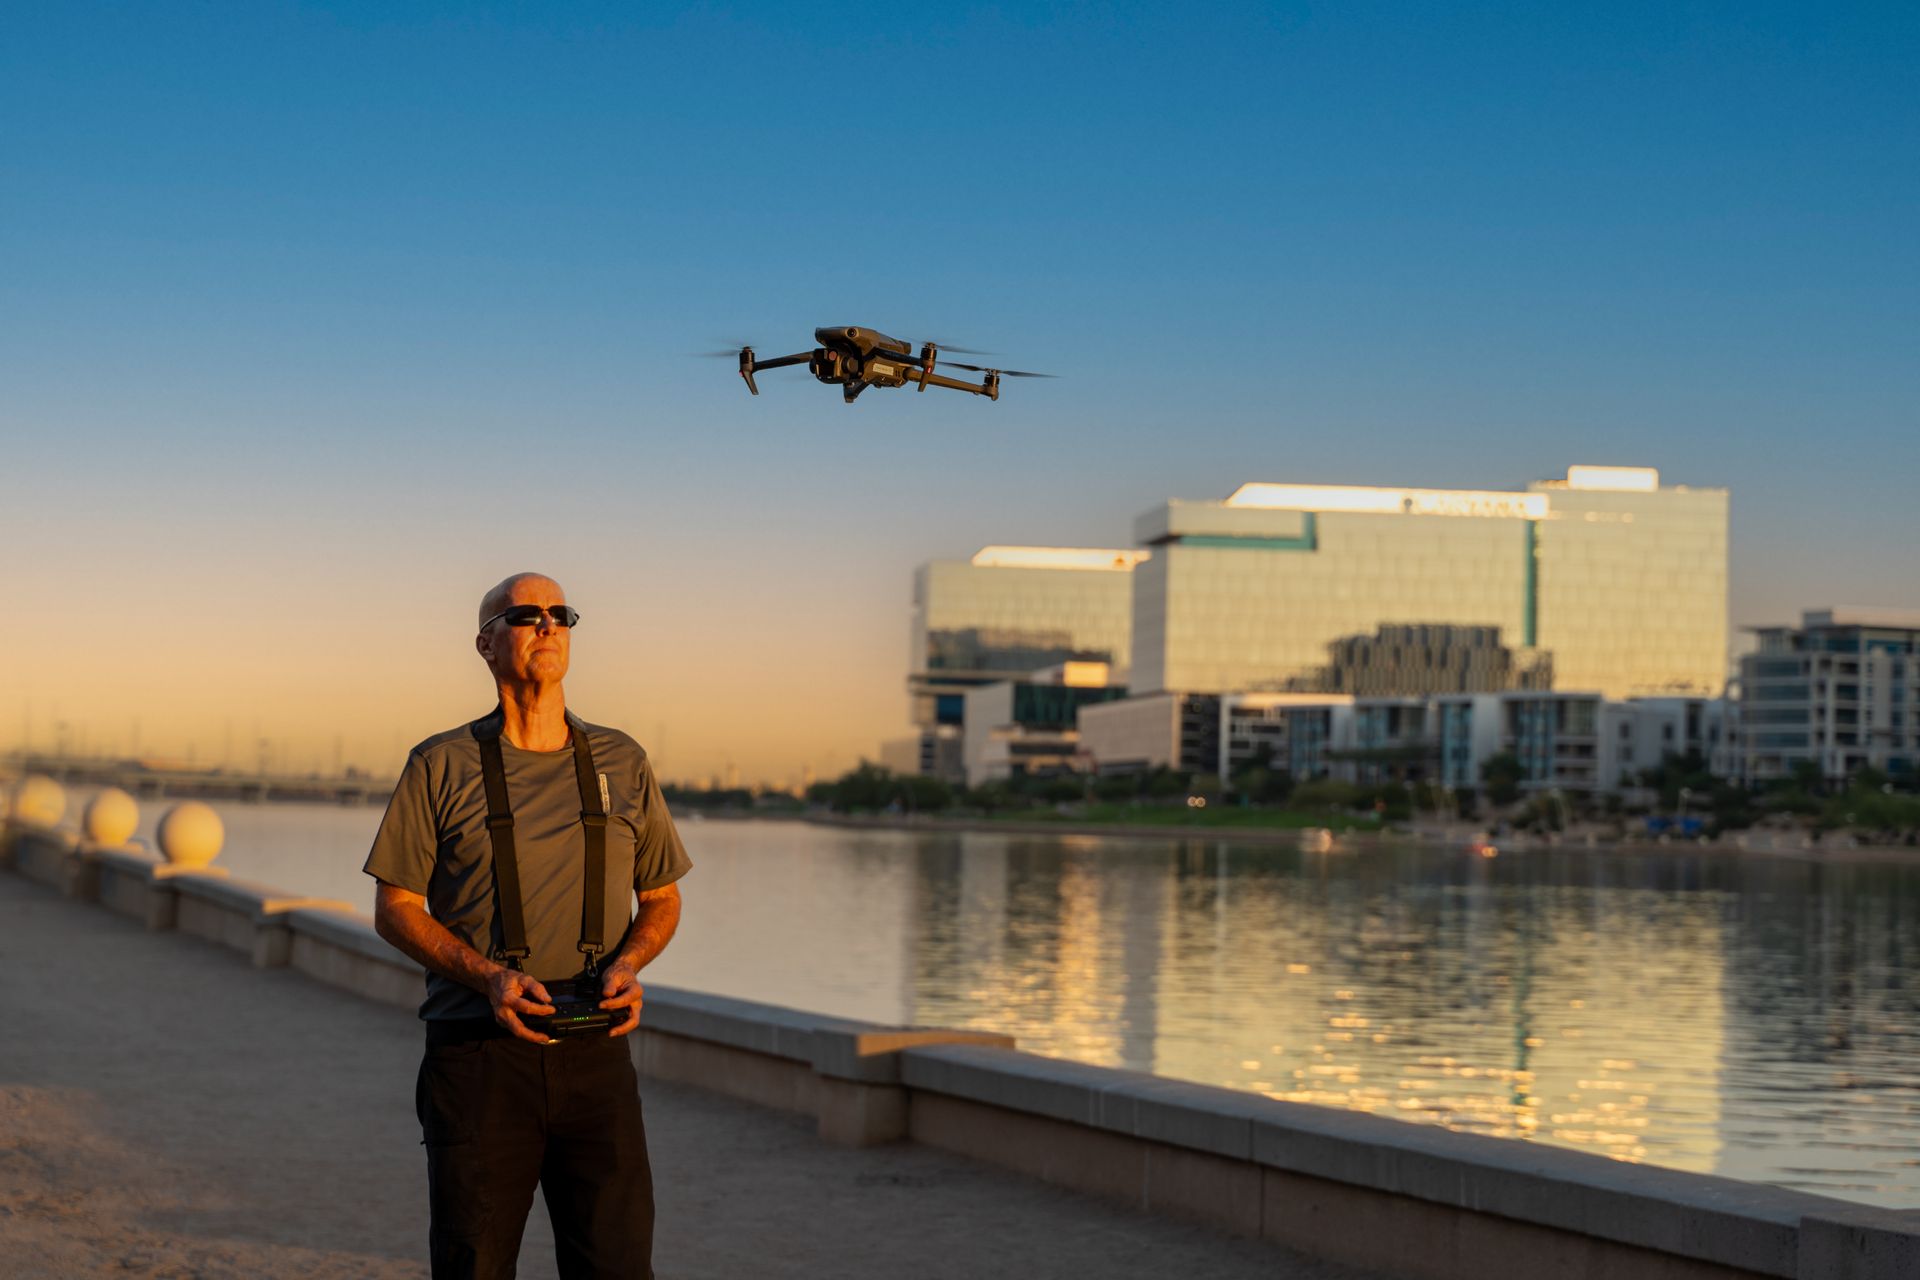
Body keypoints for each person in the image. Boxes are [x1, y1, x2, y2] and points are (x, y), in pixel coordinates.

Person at [365, 572, 689, 1280]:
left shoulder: (622, 760)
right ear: (485, 643)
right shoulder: (439, 763)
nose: (548, 625)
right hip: (478, 1058)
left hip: (597, 1052)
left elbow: (661, 898)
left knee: (619, 1266)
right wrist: (489, 976)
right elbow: (396, 907)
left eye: (560, 614)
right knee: (473, 1265)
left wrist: (630, 964)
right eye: (525, 614)